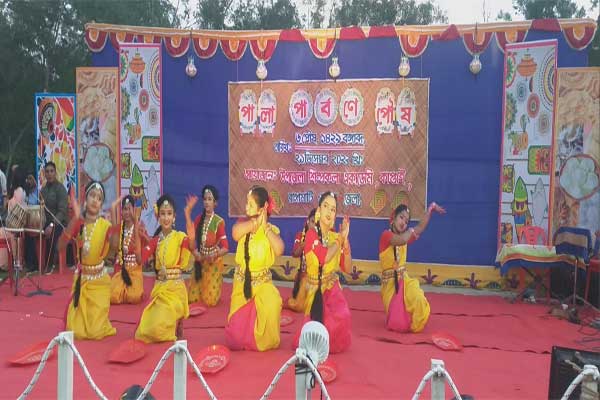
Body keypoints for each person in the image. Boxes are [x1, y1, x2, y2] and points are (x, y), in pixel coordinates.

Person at [225, 186, 284, 351]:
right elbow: (235, 234)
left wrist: (264, 228)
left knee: (272, 303)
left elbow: (279, 249)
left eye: (250, 204)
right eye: (246, 203)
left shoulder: (270, 230)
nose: (246, 207)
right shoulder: (243, 224)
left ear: (262, 208)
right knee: (234, 339)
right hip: (242, 286)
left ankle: (260, 340)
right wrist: (254, 223)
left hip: (263, 284)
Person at [59, 181, 117, 340]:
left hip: (99, 283)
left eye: (99, 198)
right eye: (92, 195)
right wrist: (75, 219)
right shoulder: (79, 223)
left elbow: (114, 247)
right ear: (85, 198)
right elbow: (60, 245)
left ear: (101, 204)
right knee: (76, 331)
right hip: (81, 282)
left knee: (95, 332)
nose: (95, 200)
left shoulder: (105, 225)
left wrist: (114, 215)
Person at [297, 192, 352, 353]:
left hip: (332, 287)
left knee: (342, 315)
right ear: (319, 210)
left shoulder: (336, 237)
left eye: (333, 209)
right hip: (314, 291)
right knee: (315, 335)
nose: (329, 212)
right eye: (326, 206)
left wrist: (345, 243)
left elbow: (347, 268)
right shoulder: (311, 235)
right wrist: (340, 240)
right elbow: (324, 257)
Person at [378, 202, 445, 333]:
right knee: (397, 323)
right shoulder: (386, 236)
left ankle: (413, 324)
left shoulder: (406, 235)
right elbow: (402, 240)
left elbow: (419, 227)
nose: (403, 222)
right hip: (390, 287)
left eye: (406, 221)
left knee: (418, 298)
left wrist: (430, 209)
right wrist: (410, 230)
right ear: (394, 217)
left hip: (405, 281)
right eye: (401, 217)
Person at [135, 195, 193, 343]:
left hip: (176, 291)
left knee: (159, 329)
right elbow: (140, 259)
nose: (166, 218)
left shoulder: (180, 237)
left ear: (174, 217)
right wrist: (136, 232)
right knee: (146, 329)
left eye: (169, 214)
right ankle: (173, 322)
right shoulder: (156, 241)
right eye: (163, 214)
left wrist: (187, 216)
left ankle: (176, 320)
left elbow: (192, 246)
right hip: (160, 291)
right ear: (158, 217)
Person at [184, 185, 229, 307]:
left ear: (215, 203)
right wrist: (196, 254)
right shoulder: (199, 219)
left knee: (210, 301)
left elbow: (225, 247)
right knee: (192, 299)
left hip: (213, 263)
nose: (206, 202)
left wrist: (215, 255)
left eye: (210, 199)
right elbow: (190, 241)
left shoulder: (218, 222)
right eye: (205, 199)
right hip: (200, 262)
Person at [110, 195, 144, 304]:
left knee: (134, 297)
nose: (127, 212)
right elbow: (114, 247)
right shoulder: (120, 228)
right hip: (121, 269)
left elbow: (140, 259)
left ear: (134, 210)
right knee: (113, 297)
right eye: (125, 209)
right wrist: (113, 209)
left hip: (135, 270)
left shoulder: (139, 227)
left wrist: (136, 224)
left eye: (129, 209)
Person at [40, 162, 68, 273]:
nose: (49, 174)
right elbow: (41, 209)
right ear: (44, 174)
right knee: (31, 233)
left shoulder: (60, 189)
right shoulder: (43, 190)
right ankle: (34, 264)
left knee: (53, 232)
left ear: (55, 173)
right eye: (47, 172)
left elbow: (62, 211)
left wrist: (51, 225)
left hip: (60, 223)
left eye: (51, 171)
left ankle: (50, 263)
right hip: (46, 222)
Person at [286, 208, 316, 313]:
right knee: (299, 307)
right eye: (312, 221)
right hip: (303, 278)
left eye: (317, 223)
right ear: (308, 222)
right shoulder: (301, 236)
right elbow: (295, 254)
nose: (314, 225)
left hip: (318, 280)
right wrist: (305, 244)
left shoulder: (324, 238)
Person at [0, 166, 27, 271]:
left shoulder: (19, 190)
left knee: (7, 236)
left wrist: (9, 201)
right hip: (14, 223)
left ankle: (13, 262)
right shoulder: (19, 190)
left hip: (16, 223)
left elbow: (17, 207)